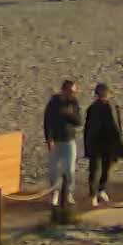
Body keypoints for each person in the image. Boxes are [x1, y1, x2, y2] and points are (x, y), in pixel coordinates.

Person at [83, 83, 123, 206]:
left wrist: (118, 143)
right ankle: (93, 194)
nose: (104, 96)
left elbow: (118, 126)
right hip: (96, 143)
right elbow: (88, 128)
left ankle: (101, 190)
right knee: (95, 170)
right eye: (101, 93)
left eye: (105, 93)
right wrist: (88, 144)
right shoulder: (93, 108)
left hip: (110, 143)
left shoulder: (113, 107)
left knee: (107, 168)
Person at [43, 80, 83, 208]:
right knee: (54, 170)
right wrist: (49, 140)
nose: (73, 94)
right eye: (71, 91)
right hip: (55, 140)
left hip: (69, 140)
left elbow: (78, 122)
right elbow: (47, 122)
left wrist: (70, 114)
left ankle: (69, 193)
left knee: (70, 169)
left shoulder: (73, 103)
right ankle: (54, 193)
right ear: (64, 90)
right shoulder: (54, 103)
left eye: (74, 92)